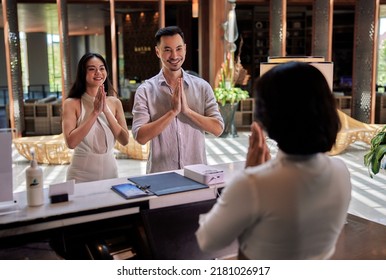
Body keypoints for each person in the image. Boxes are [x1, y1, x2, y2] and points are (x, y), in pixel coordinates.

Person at [195, 61, 352, 260]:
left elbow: (208, 240)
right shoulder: (340, 171)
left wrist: (249, 173)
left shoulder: (253, 184)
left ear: (267, 116)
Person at [132, 26, 224, 173]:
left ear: (185, 49)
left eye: (179, 49)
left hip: (198, 173)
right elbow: (140, 137)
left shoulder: (202, 87)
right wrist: (172, 112)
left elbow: (218, 128)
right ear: (157, 52)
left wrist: (187, 111)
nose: (174, 56)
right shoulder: (146, 90)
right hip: (161, 176)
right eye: (167, 50)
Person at [62, 52, 129, 183]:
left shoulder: (115, 103)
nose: (98, 72)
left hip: (110, 172)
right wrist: (94, 113)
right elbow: (71, 143)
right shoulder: (71, 103)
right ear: (83, 73)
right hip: (80, 174)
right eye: (92, 69)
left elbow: (125, 140)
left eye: (102, 68)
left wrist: (106, 111)